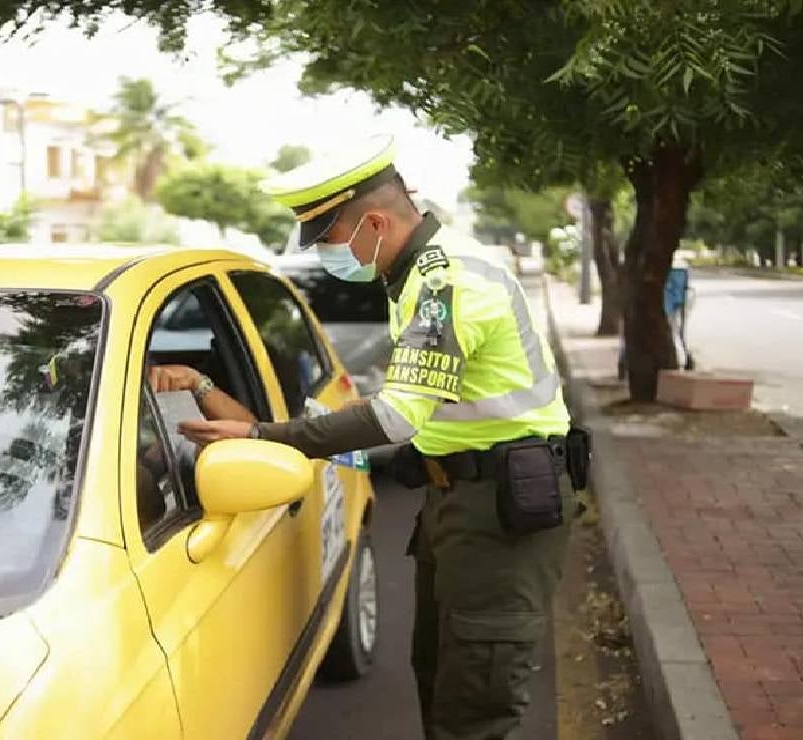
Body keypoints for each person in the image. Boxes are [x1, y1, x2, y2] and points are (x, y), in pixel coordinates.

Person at [179, 134, 585, 740]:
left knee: (475, 704)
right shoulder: (418, 275)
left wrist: (266, 434)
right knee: (440, 677)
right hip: (463, 497)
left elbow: (396, 417)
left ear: (374, 223)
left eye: (330, 240)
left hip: (501, 509)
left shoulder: (446, 284)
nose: (327, 256)